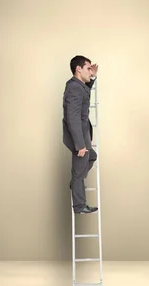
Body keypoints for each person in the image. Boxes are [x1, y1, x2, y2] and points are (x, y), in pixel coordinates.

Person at [62, 55, 99, 214]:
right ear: (78, 69)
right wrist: (80, 145)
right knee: (78, 172)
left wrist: (93, 76)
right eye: (88, 68)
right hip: (78, 137)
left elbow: (85, 92)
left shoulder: (78, 86)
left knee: (91, 157)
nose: (90, 72)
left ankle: (75, 183)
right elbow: (73, 117)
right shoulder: (74, 87)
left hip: (83, 134)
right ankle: (79, 206)